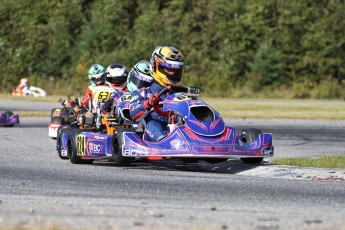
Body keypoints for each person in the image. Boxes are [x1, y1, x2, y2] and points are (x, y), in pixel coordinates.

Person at [129, 46, 185, 141]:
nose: (173, 73)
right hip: (152, 133)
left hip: (177, 127)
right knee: (151, 122)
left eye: (176, 70)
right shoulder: (144, 92)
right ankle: (163, 141)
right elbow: (133, 115)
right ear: (156, 66)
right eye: (169, 69)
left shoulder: (182, 93)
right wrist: (148, 104)